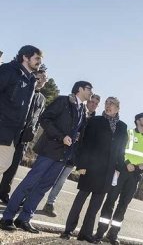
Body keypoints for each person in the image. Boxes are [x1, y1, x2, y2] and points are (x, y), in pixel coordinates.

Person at [0, 81, 92, 233]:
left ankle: (24, 219)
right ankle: (7, 217)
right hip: (49, 150)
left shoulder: (83, 110)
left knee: (43, 188)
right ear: (80, 89)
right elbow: (45, 119)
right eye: (89, 89)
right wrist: (61, 136)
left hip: (63, 156)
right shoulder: (63, 101)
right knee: (29, 183)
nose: (91, 92)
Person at [60, 97, 127, 243]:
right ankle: (68, 230)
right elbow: (85, 143)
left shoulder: (122, 127)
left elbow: (121, 150)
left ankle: (86, 233)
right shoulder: (95, 121)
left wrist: (119, 168)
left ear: (118, 108)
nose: (108, 105)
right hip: (91, 167)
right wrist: (82, 165)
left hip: (108, 171)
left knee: (95, 205)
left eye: (112, 103)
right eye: (107, 103)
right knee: (80, 201)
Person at [94, 112, 143, 245]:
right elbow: (120, 149)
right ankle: (100, 233)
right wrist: (127, 163)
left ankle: (113, 234)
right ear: (138, 121)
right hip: (122, 171)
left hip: (135, 176)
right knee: (110, 201)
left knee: (123, 206)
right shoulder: (128, 133)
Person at [42, 94, 101, 217]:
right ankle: (27, 198)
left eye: (96, 103)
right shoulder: (78, 110)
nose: (93, 104)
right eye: (92, 101)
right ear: (87, 101)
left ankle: (49, 204)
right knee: (47, 176)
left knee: (61, 180)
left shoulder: (95, 120)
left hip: (75, 155)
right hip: (61, 149)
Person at [0, 65, 48, 204]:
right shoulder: (25, 89)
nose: (40, 81)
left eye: (43, 79)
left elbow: (38, 118)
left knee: (13, 167)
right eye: (38, 78)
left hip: (24, 138)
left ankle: (3, 192)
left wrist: (33, 131)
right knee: (2, 162)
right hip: (11, 132)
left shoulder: (42, 99)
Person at [0, 45, 42, 174]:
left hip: (13, 135)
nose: (39, 62)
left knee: (4, 164)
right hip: (2, 127)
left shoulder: (31, 81)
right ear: (25, 57)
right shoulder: (8, 70)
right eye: (37, 58)